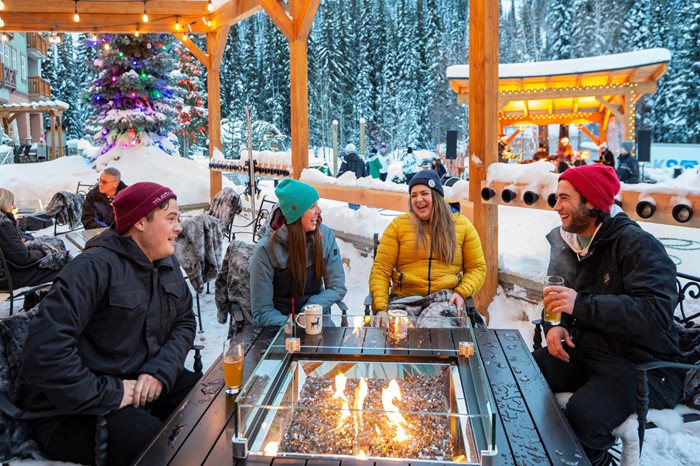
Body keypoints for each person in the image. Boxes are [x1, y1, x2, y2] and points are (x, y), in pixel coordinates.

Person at [21, 182, 200, 466]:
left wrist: (159, 372)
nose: (179, 228)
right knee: (157, 448)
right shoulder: (92, 268)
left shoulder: (166, 263)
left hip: (141, 380)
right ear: (141, 221)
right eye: (171, 219)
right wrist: (112, 393)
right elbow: (44, 354)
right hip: (74, 408)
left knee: (208, 405)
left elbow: (184, 322)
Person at [532, 164, 684, 466]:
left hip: (643, 365)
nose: (557, 206)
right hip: (588, 350)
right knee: (527, 375)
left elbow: (654, 314)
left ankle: (596, 462)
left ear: (591, 202)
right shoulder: (567, 241)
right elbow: (558, 297)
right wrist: (556, 326)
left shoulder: (637, 245)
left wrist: (582, 305)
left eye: (564, 198)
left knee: (584, 417)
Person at [369, 170, 487, 324]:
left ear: (436, 196)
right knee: (396, 336)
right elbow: (381, 270)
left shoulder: (461, 225)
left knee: (436, 332)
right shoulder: (398, 226)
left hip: (444, 300)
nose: (418, 199)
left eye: (424, 193)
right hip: (405, 300)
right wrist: (381, 308)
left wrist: (462, 292)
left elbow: (477, 267)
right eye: (413, 195)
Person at [250, 178, 347, 326]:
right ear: (296, 214)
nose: (319, 211)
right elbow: (262, 311)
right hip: (278, 327)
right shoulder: (266, 249)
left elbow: (337, 286)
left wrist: (311, 308)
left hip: (317, 321)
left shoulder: (325, 236)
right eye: (312, 206)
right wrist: (293, 324)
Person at [0, 188, 64, 289]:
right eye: (12, 202)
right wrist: (44, 253)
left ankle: (33, 299)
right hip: (7, 276)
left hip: (7, 270)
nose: (14, 207)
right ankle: (46, 302)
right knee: (64, 268)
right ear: (3, 203)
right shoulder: (3, 225)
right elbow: (22, 259)